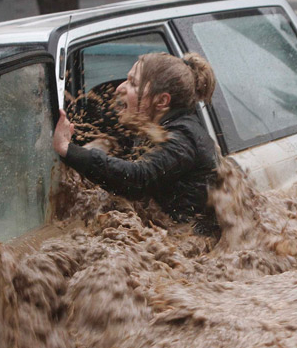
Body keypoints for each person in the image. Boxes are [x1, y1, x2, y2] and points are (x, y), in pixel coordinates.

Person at [53, 52, 219, 224]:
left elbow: (137, 179)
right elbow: (124, 151)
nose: (119, 88)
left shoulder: (183, 138)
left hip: (192, 244)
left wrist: (67, 149)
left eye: (133, 83)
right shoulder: (156, 127)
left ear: (161, 101)